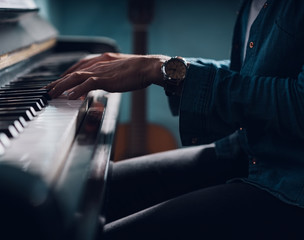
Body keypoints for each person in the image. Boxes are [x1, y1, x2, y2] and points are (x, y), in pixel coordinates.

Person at [45, 0, 304, 239]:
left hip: (290, 185)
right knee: (67, 199)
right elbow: (254, 74)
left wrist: (162, 71)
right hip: (246, 150)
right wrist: (160, 65)